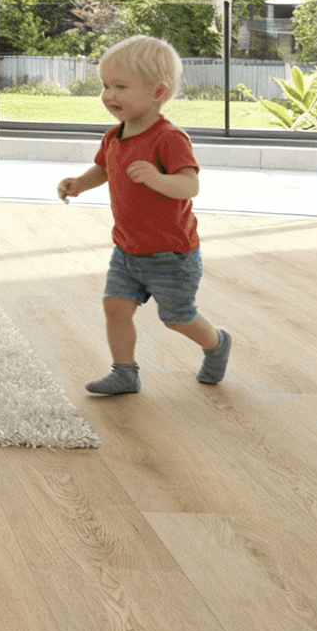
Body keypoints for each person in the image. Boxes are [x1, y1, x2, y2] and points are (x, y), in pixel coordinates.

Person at [56, 35, 231, 394]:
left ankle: (216, 343)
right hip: (127, 250)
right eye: (105, 86)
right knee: (115, 307)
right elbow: (104, 169)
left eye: (120, 87)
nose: (109, 95)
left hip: (171, 254)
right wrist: (79, 184)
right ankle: (124, 372)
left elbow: (190, 186)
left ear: (158, 92)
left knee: (176, 318)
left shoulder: (170, 139)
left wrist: (157, 178)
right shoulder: (113, 137)